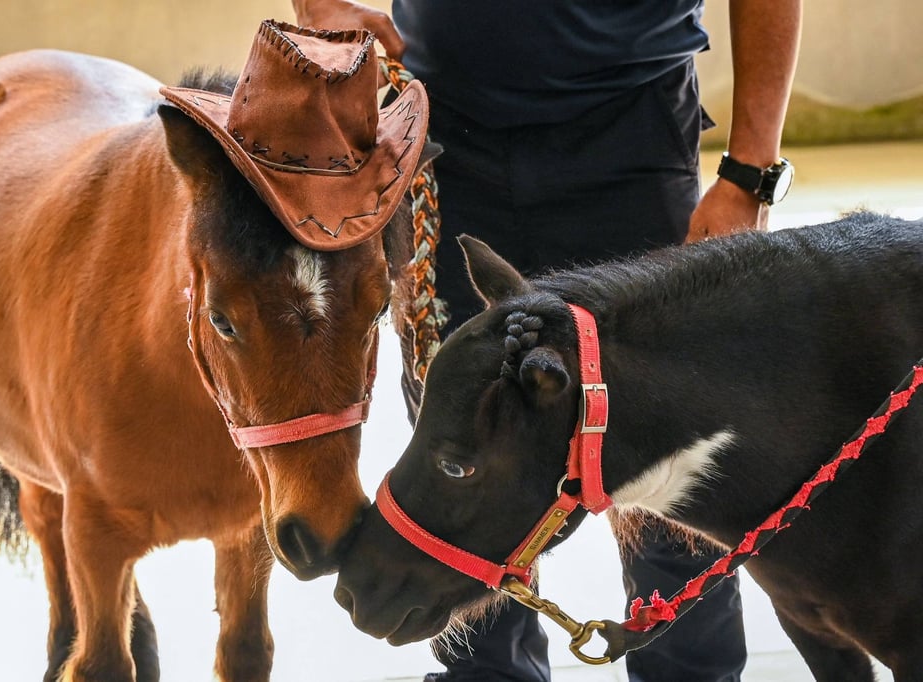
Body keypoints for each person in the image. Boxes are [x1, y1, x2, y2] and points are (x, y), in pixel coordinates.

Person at [293, 1, 802, 680]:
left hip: (631, 132)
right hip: (444, 131)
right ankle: (488, 672)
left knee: (666, 461)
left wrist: (751, 171)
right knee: (462, 437)